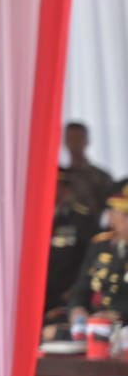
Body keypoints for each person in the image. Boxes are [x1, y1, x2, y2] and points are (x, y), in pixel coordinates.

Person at [66, 182, 128, 324]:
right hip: (94, 323)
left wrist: (120, 314)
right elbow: (82, 288)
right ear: (111, 217)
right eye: (124, 214)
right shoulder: (101, 246)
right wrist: (77, 309)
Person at [48, 169, 99, 314]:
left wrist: (76, 291)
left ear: (65, 188)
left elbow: (91, 258)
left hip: (67, 295)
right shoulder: (31, 218)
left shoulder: (80, 219)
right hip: (39, 293)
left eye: (56, 185)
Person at [62, 121, 114, 221]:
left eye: (78, 138)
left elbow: (111, 210)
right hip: (62, 231)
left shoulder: (101, 177)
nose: (74, 143)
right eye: (70, 138)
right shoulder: (60, 176)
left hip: (91, 231)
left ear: (86, 141)